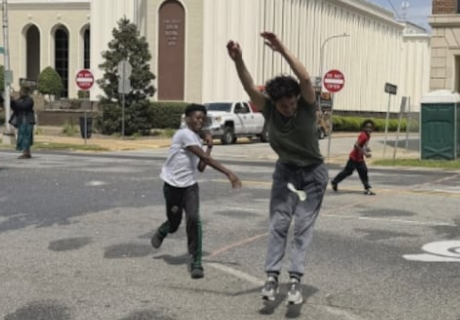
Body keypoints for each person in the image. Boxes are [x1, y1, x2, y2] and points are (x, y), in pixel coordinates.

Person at [228, 32, 325, 305]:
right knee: (279, 224)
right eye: (284, 105)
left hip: (313, 174)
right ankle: (271, 277)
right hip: (286, 172)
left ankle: (295, 281)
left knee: (303, 226)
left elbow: (305, 80)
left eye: (292, 103)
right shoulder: (269, 109)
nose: (289, 108)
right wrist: (238, 60)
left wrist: (282, 49)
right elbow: (249, 88)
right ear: (275, 103)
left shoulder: (305, 106)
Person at [151, 104, 242, 279]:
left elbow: (201, 166)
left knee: (194, 219)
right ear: (187, 119)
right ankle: (163, 230)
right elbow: (205, 159)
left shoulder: (195, 138)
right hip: (172, 186)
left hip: (189, 187)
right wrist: (228, 173)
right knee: (175, 223)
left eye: (203, 119)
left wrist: (209, 145)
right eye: (197, 118)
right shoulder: (184, 134)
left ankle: (197, 261)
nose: (200, 121)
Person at [331, 119, 375, 195]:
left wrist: (366, 149)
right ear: (363, 128)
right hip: (354, 158)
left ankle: (367, 188)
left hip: (359, 159)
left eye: (370, 127)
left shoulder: (368, 135)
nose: (369, 129)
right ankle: (334, 182)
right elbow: (356, 145)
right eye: (367, 127)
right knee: (348, 172)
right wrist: (365, 153)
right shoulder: (363, 135)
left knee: (363, 172)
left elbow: (362, 145)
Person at [11, 87, 36, 159]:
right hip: (21, 120)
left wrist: (15, 102)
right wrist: (12, 101)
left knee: (26, 136)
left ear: (26, 92)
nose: (20, 93)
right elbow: (14, 107)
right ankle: (26, 152)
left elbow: (24, 106)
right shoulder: (19, 100)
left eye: (21, 92)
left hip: (28, 120)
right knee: (22, 136)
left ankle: (26, 152)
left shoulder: (29, 100)